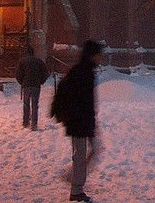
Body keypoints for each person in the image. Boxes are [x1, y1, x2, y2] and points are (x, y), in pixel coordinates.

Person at [51, 39, 104, 203]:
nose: (100, 58)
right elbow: (80, 100)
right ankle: (76, 189)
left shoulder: (83, 70)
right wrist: (81, 119)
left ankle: (72, 179)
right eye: (98, 55)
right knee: (81, 155)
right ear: (92, 55)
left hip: (82, 120)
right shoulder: (84, 72)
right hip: (79, 121)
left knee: (91, 151)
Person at [16, 45, 49, 130]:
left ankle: (25, 122)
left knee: (26, 104)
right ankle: (34, 124)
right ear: (33, 52)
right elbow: (45, 73)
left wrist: (22, 82)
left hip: (26, 85)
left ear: (26, 53)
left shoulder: (22, 61)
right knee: (35, 105)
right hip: (36, 85)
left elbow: (18, 74)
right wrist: (41, 81)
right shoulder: (39, 61)